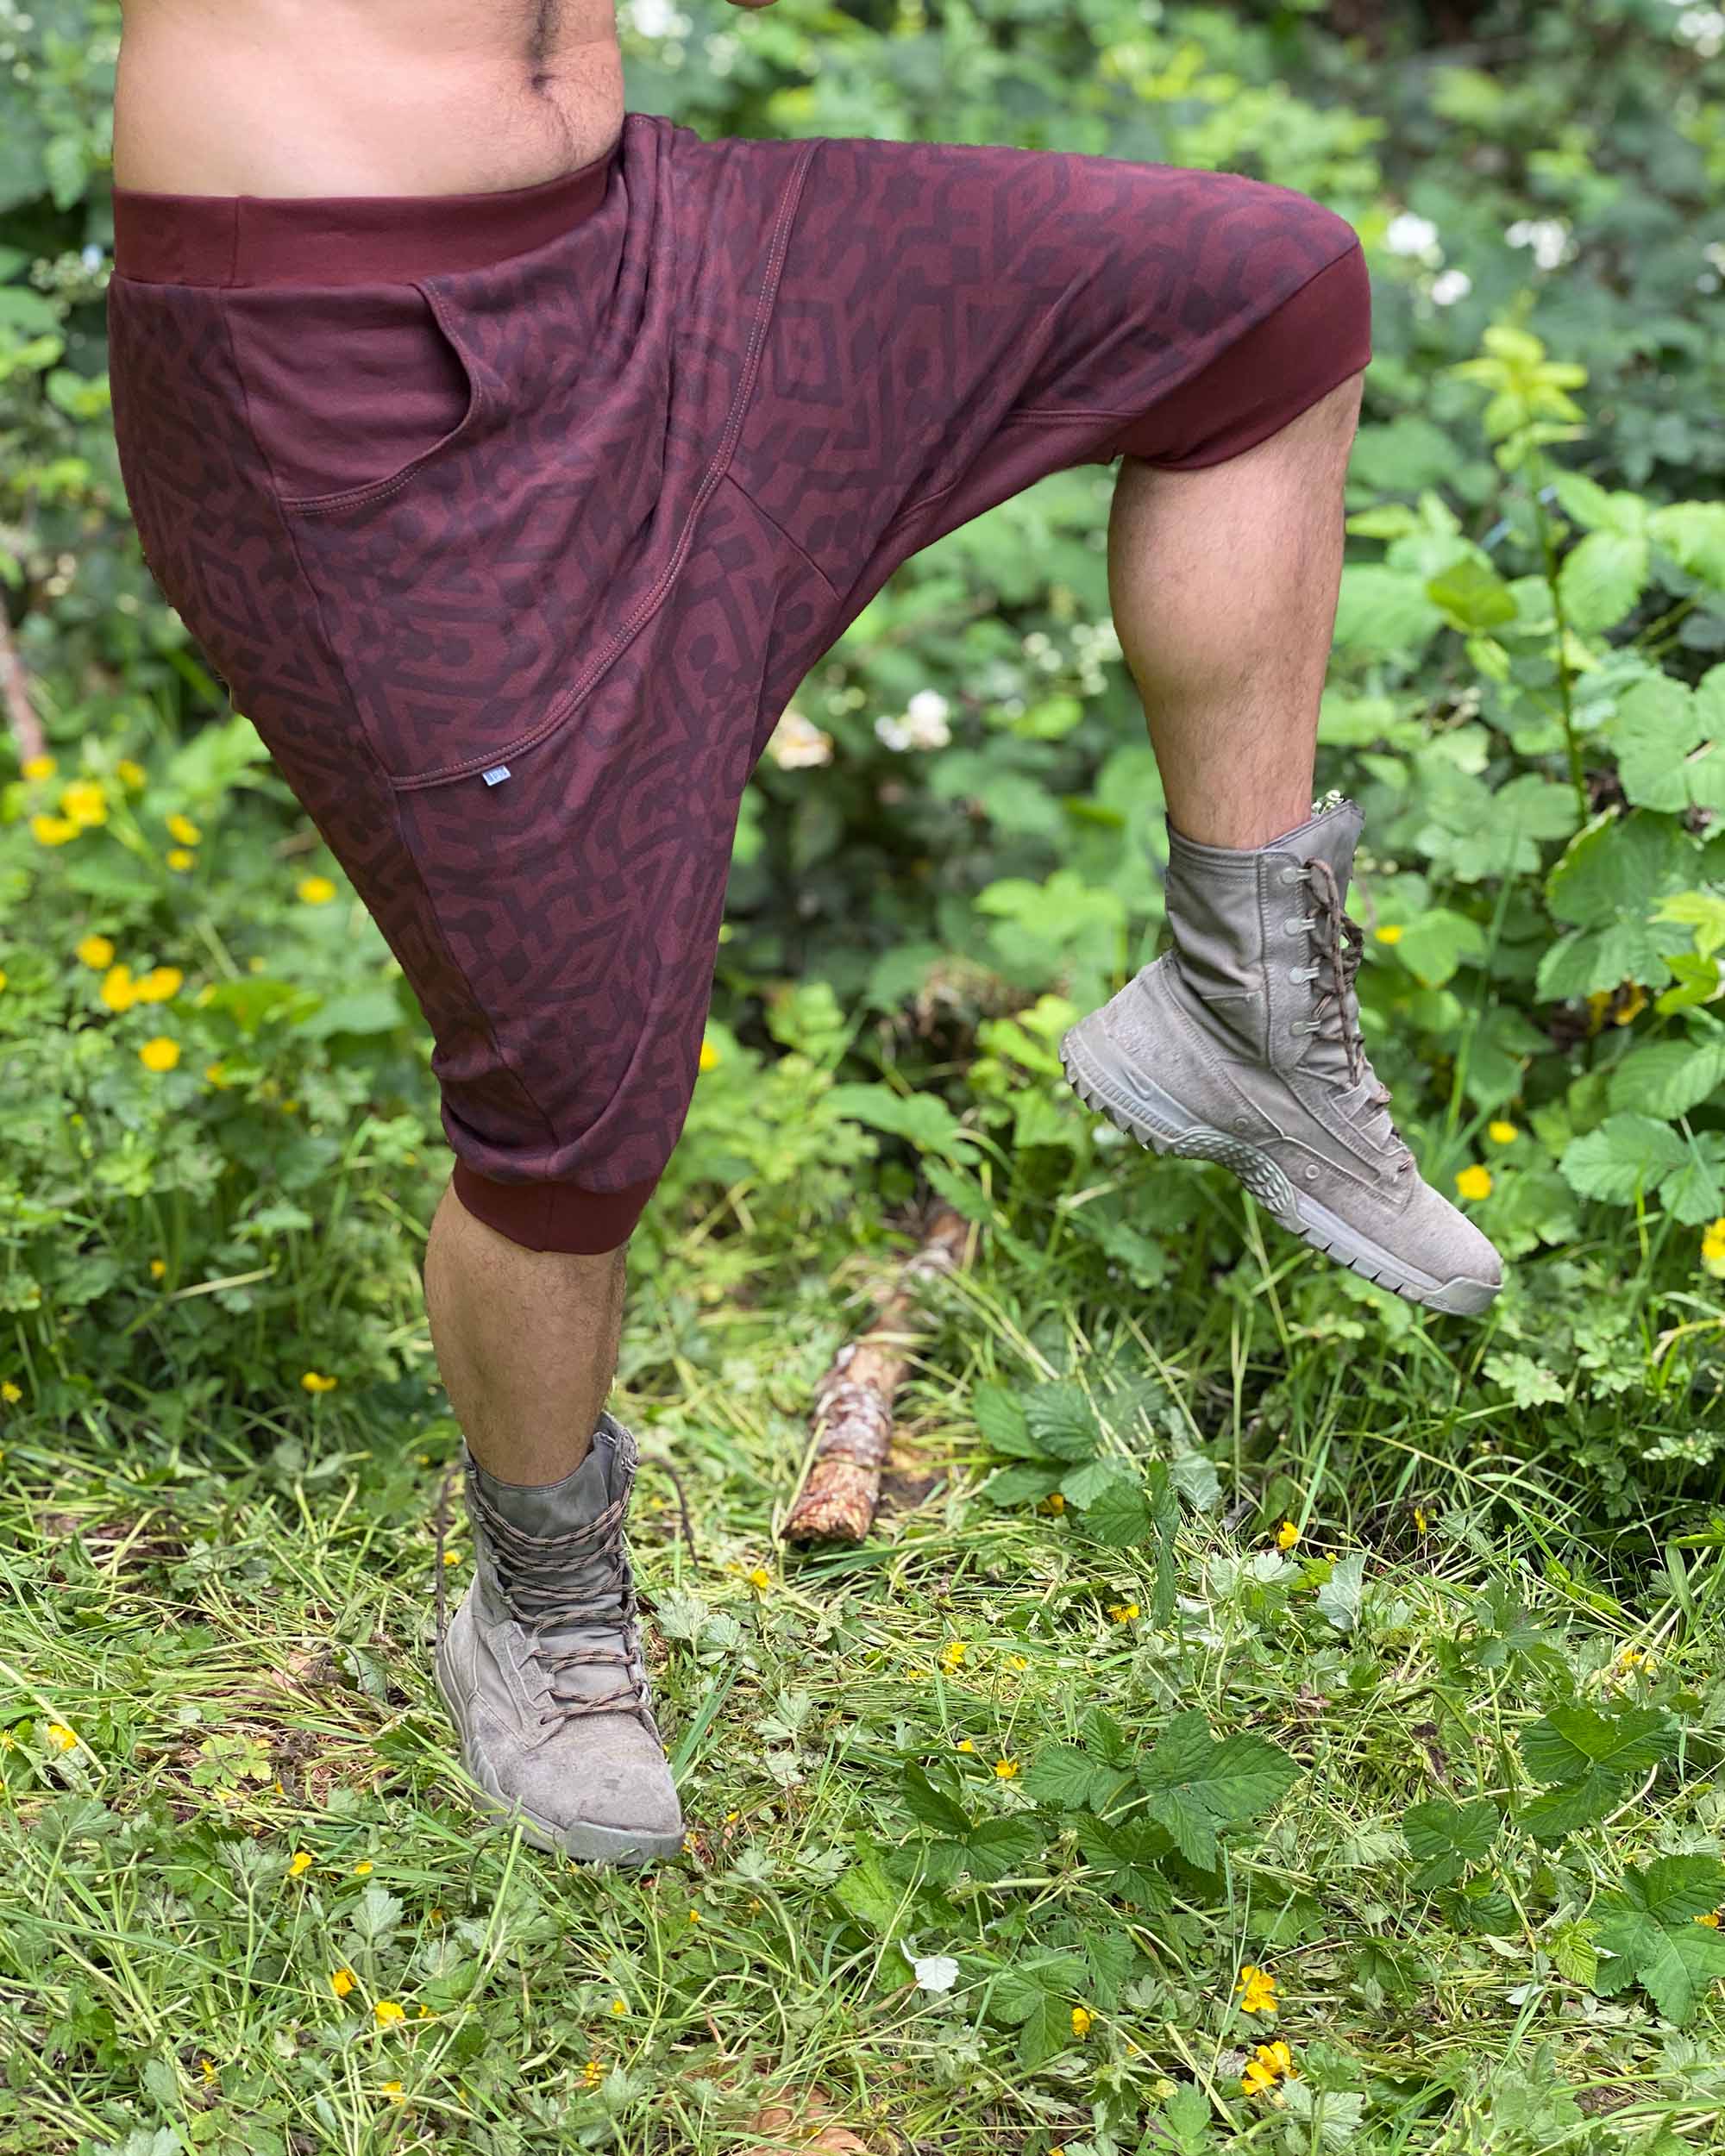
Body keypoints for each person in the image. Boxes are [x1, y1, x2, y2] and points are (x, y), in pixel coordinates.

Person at [104, 0, 1503, 1867]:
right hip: (339, 362)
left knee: (1257, 301)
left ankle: (1240, 994)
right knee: (573, 1104)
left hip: (651, 252)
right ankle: (542, 1611)